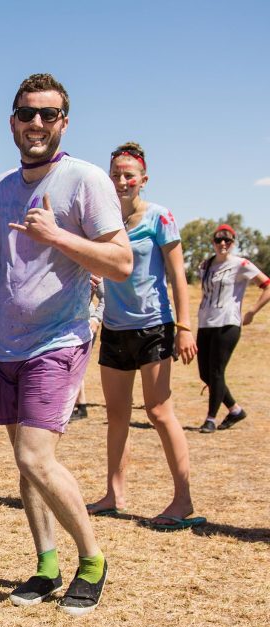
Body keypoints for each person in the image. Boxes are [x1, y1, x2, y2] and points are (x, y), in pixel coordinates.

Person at [0, 73, 131, 614]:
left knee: (35, 455)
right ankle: (45, 563)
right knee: (26, 466)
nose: (38, 124)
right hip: (5, 346)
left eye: (49, 115)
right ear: (13, 121)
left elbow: (120, 263)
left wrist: (57, 236)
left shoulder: (85, 179)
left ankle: (91, 559)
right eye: (28, 113)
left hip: (58, 338)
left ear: (64, 122)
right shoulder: (3, 187)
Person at [86, 142, 203, 531]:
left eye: (128, 174)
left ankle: (182, 499)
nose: (122, 181)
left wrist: (185, 328)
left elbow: (177, 276)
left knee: (158, 411)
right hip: (115, 329)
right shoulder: (105, 222)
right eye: (116, 174)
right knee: (117, 416)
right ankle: (113, 493)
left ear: (143, 179)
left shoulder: (159, 217)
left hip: (154, 326)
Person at [196, 224, 270, 432]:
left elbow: (267, 285)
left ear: (233, 243)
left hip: (227, 323)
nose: (222, 244)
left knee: (216, 371)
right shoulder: (206, 265)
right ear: (213, 242)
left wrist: (252, 312)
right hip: (205, 323)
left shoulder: (241, 264)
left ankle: (210, 418)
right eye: (218, 240)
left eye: (227, 240)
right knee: (205, 374)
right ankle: (235, 410)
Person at [70, 278, 104, 421]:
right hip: (63, 324)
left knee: (74, 366)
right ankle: (80, 405)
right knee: (73, 367)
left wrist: (96, 318)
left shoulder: (90, 265)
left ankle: (78, 406)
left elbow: (106, 296)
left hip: (83, 325)